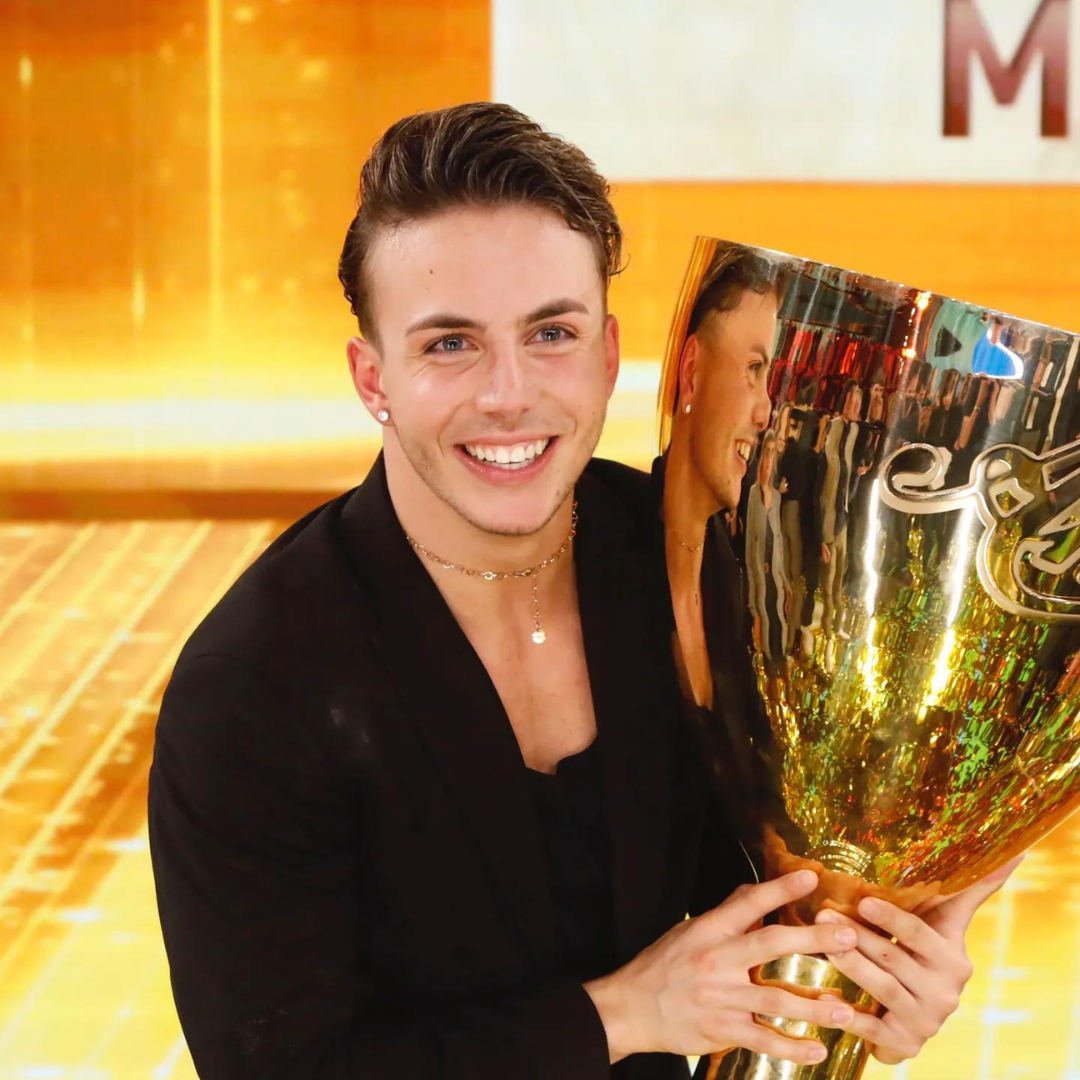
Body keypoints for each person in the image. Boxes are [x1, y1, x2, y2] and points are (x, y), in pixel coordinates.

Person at [148, 105, 1004, 1080]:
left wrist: (876, 959)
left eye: (551, 332)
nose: (509, 393)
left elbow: (758, 900)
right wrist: (622, 1016)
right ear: (372, 378)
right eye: (449, 345)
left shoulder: (700, 566)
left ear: (608, 355)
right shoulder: (254, 687)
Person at [658, 242, 1019, 1072]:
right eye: (757, 371)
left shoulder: (816, 615)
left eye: (791, 388)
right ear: (690, 372)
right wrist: (623, 1012)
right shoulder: (580, 566)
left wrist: (890, 960)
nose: (770, 413)